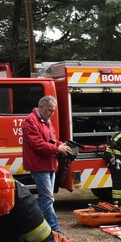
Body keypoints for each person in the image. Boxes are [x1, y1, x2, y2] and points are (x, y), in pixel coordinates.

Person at [22, 95, 72, 233]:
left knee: (46, 199)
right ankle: (54, 229)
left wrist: (62, 145)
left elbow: (52, 139)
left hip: (48, 164)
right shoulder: (30, 121)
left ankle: (25, 214)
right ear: (41, 107)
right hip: (39, 165)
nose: (52, 113)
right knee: (48, 199)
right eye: (50, 110)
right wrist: (57, 148)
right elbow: (37, 144)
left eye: (53, 110)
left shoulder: (46, 120)